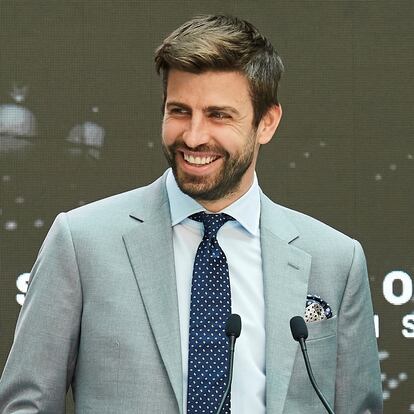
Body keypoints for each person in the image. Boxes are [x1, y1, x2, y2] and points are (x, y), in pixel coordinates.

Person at [0, 14, 382, 414]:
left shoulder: (336, 261)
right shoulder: (81, 242)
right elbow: (26, 405)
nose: (194, 136)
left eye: (219, 115)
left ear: (266, 122)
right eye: (180, 111)